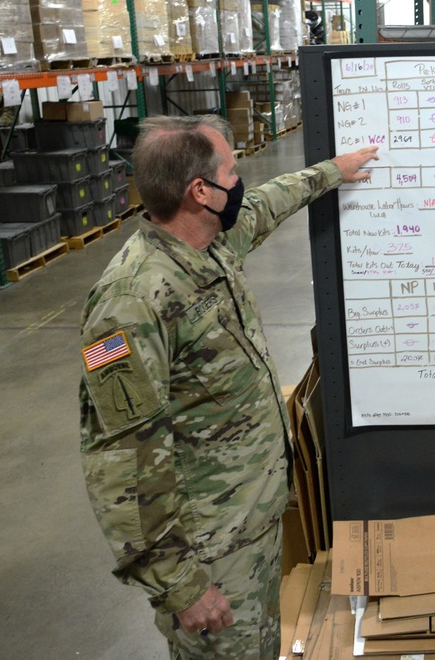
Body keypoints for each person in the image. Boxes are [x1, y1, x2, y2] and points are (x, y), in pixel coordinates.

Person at [78, 114, 377, 659]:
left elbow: (265, 204)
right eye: (232, 172)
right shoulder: (131, 302)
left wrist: (334, 171)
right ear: (201, 191)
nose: (239, 183)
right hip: (209, 555)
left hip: (249, 526)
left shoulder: (206, 246)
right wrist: (180, 587)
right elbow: (121, 464)